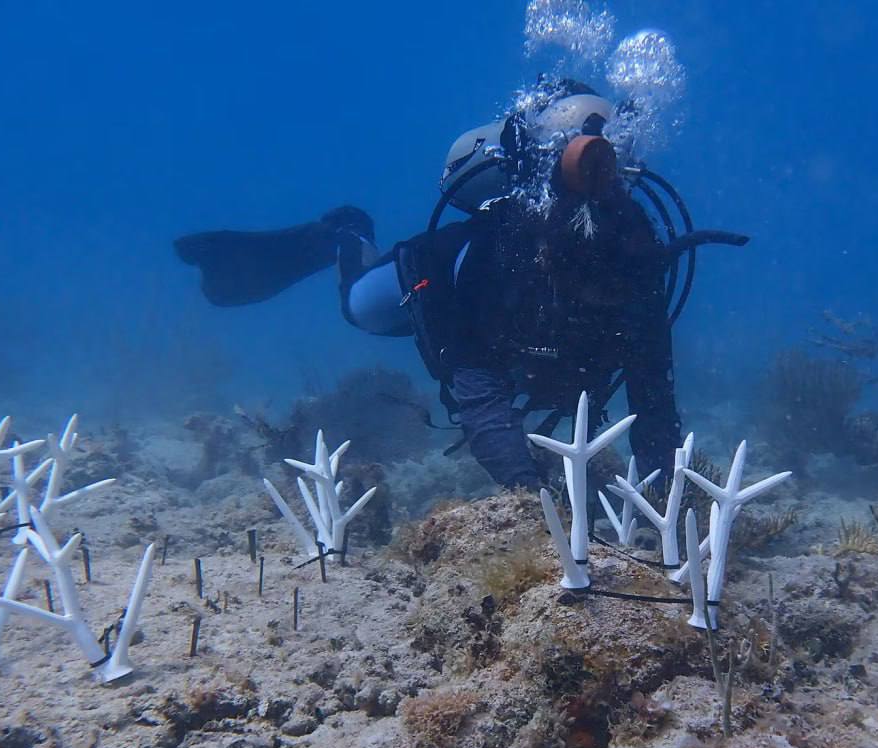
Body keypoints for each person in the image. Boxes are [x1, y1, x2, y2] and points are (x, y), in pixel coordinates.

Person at [175, 79, 747, 489]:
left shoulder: (635, 250)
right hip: (436, 283)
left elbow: (654, 394)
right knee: (360, 307)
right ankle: (347, 233)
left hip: (527, 349)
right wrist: (528, 495)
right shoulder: (498, 250)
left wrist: (670, 506)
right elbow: (474, 381)